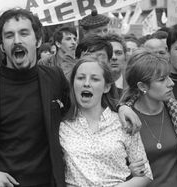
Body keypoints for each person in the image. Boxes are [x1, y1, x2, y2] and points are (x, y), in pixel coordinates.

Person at [0, 8, 141, 187]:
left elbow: (86, 107)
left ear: (38, 39)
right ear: (1, 44)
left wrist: (121, 107)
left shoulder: (54, 77)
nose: (17, 40)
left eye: (24, 33)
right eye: (9, 35)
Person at [60, 57, 152, 186]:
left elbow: (145, 174)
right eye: (80, 78)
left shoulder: (123, 122)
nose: (86, 83)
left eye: (95, 79)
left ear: (107, 87)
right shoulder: (62, 126)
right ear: (73, 84)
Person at [120, 49, 177, 187]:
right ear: (142, 86)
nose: (171, 83)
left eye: (169, 76)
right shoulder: (125, 119)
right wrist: (128, 173)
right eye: (162, 79)